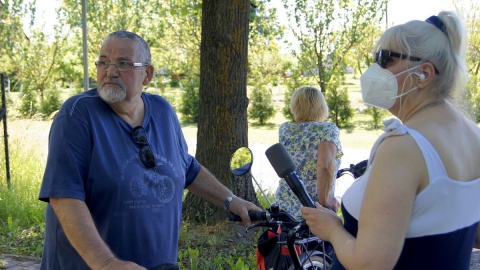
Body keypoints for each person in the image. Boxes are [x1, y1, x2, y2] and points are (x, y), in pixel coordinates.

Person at [38, 30, 261, 270]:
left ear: (147, 74)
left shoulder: (163, 111)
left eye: (123, 64)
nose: (110, 71)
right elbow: (64, 196)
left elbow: (185, 166)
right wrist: (105, 263)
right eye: (103, 62)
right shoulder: (77, 114)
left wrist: (231, 200)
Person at [301, 11, 480, 270]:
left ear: (423, 74)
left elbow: (371, 264)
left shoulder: (404, 146)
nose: (374, 69)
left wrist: (331, 229)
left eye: (385, 59)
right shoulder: (473, 135)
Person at [274, 86, 343, 217]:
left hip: (283, 206)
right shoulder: (327, 130)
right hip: (311, 207)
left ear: (295, 106)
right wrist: (326, 201)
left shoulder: (285, 129)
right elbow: (325, 166)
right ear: (321, 106)